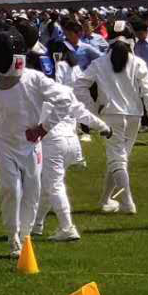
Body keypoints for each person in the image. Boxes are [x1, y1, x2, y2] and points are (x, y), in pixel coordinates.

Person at [0, 26, 53, 257]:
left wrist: (43, 128)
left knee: (32, 190)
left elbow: (64, 102)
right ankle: (13, 235)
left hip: (32, 145)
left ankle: (25, 236)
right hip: (5, 144)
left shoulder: (36, 79)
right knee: (10, 190)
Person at [71, 20, 148, 214]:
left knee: (117, 160)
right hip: (134, 117)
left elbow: (79, 85)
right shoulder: (138, 63)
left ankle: (127, 202)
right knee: (118, 160)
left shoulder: (99, 63)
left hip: (111, 115)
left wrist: (93, 109)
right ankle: (105, 199)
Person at [36, 52, 110, 243]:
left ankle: (68, 227)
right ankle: (36, 225)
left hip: (54, 143)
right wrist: (103, 126)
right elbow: (82, 113)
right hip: (72, 144)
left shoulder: (34, 92)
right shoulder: (64, 90)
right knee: (48, 185)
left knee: (53, 185)